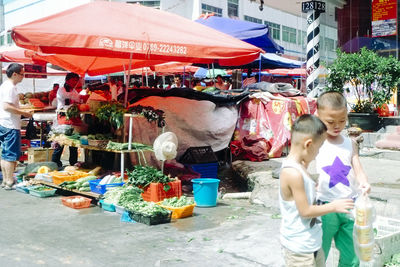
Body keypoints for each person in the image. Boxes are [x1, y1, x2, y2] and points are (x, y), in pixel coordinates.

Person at [279, 114, 354, 267]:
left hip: (312, 243)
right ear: (308, 144)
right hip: (299, 250)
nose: (318, 153)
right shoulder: (292, 173)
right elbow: (305, 211)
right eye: (319, 148)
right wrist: (334, 206)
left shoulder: (300, 166)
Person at [315, 91, 371, 266]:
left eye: (342, 121)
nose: (337, 126)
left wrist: (364, 181)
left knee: (352, 254)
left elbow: (357, 165)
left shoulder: (350, 143)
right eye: (330, 122)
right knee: (319, 253)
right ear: (318, 116)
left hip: (349, 206)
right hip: (325, 207)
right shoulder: (316, 141)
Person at [0, 63, 33, 190]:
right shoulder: (10, 87)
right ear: (14, 74)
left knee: (5, 154)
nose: (23, 77)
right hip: (10, 124)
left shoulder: (5, 86)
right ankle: (9, 181)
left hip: (4, 123)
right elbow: (7, 106)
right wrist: (24, 113)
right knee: (10, 155)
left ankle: (6, 180)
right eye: (22, 74)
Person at [52, 72, 82, 168]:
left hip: (73, 118)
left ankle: (73, 163)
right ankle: (55, 163)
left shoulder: (74, 91)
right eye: (74, 80)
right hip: (63, 118)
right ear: (67, 80)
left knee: (73, 142)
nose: (75, 82)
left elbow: (78, 100)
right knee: (61, 141)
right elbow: (67, 97)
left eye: (76, 81)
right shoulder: (61, 90)